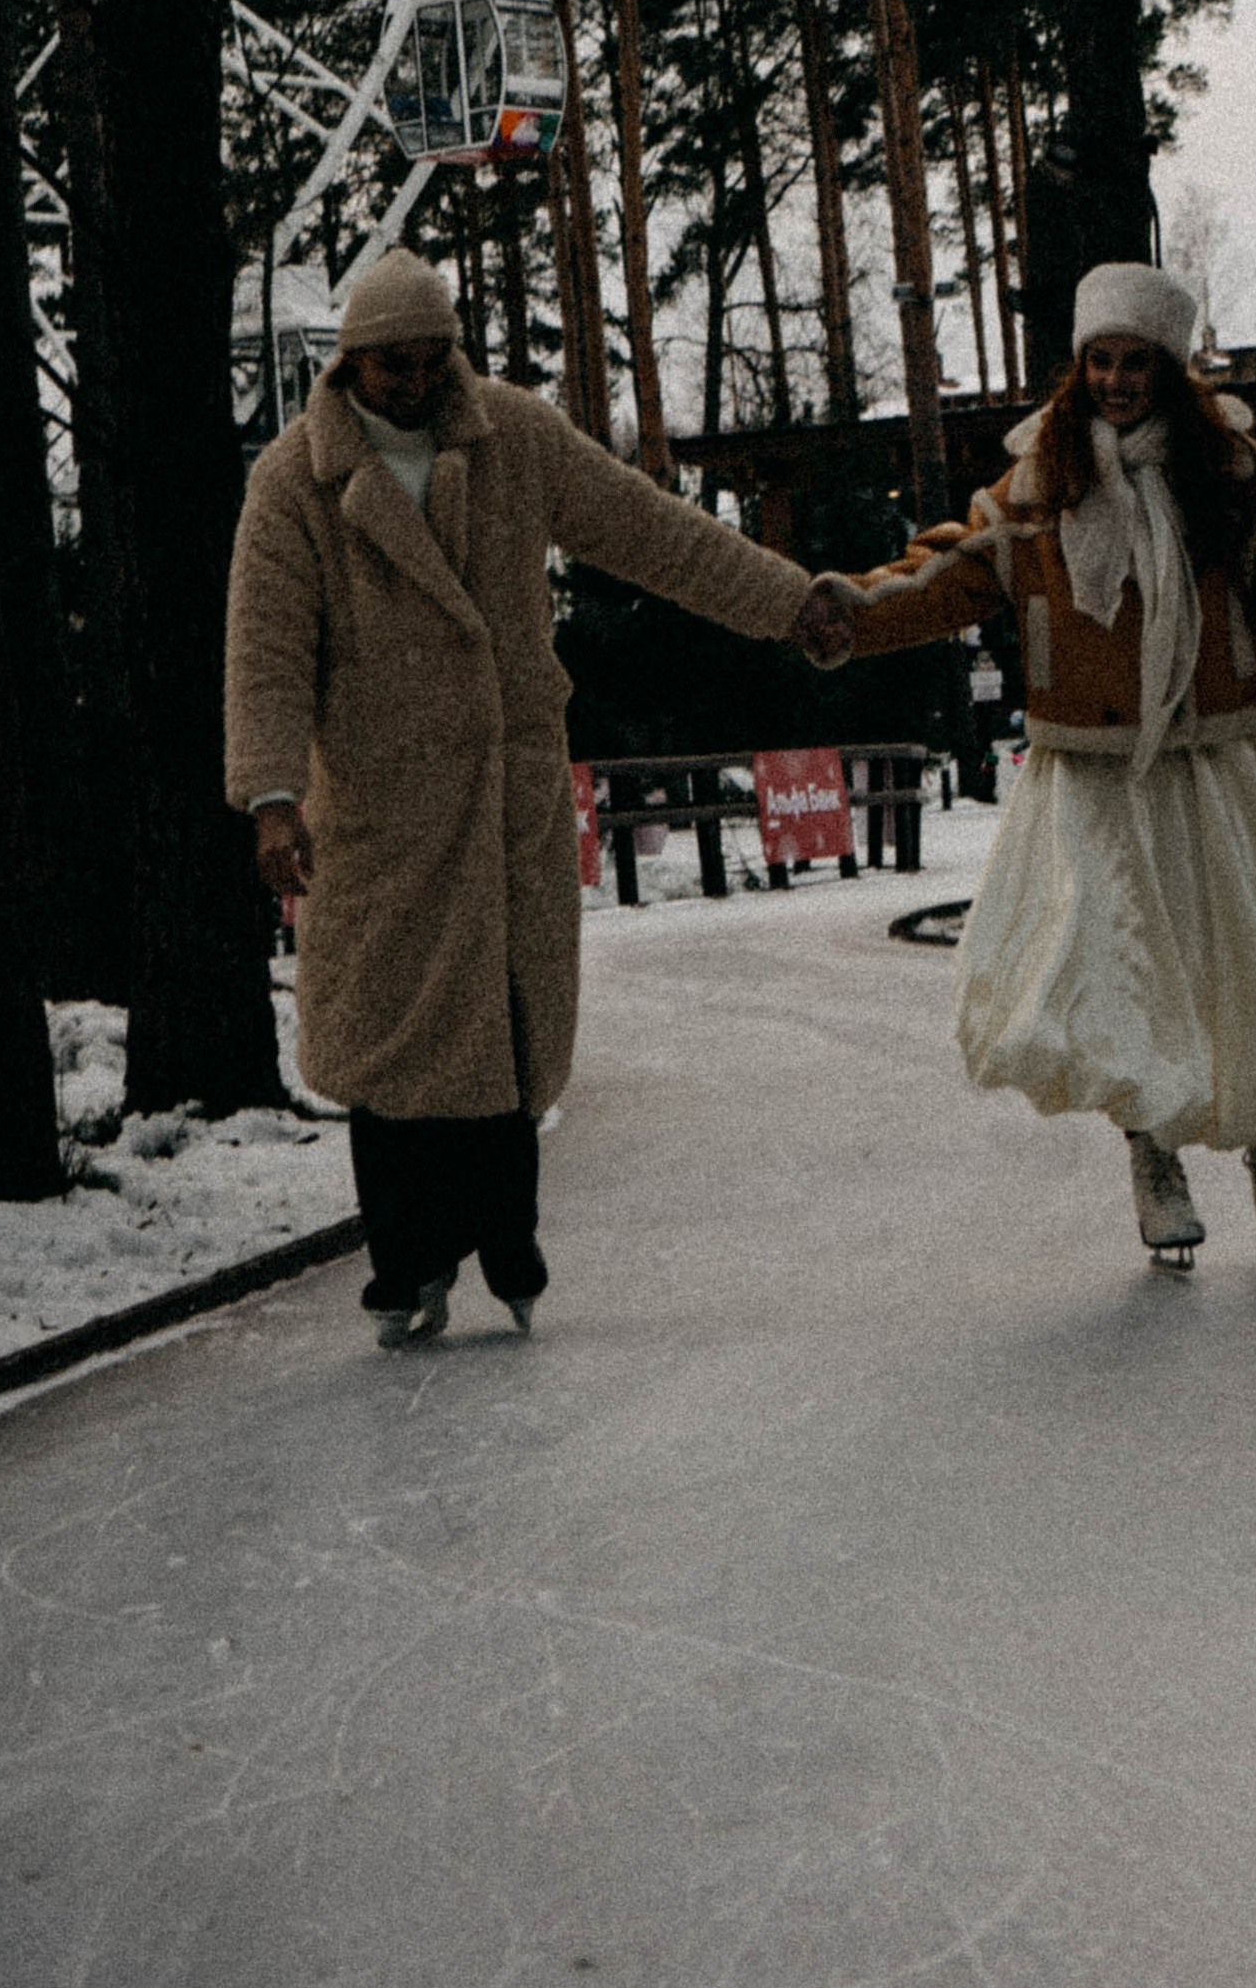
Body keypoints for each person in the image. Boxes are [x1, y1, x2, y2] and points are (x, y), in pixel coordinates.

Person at [226, 248, 816, 1348]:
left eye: (431, 359)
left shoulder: (513, 438)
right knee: (392, 1046)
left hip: (507, 795)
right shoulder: (294, 482)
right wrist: (271, 795)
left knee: (505, 1030)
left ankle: (508, 1241)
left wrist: (789, 603)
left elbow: (652, 532)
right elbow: (266, 651)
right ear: (350, 364)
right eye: (392, 365)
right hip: (381, 811)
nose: (415, 383)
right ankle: (406, 1262)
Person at [793, 261, 1256, 1266]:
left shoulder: (1231, 476)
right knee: (1123, 972)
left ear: (1170, 369)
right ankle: (1154, 1160)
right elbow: (947, 573)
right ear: (1079, 368)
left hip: (1213, 761)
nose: (1117, 380)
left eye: (1136, 362)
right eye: (1100, 361)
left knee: (1246, 963)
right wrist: (854, 611)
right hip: (1092, 773)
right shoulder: (1040, 486)